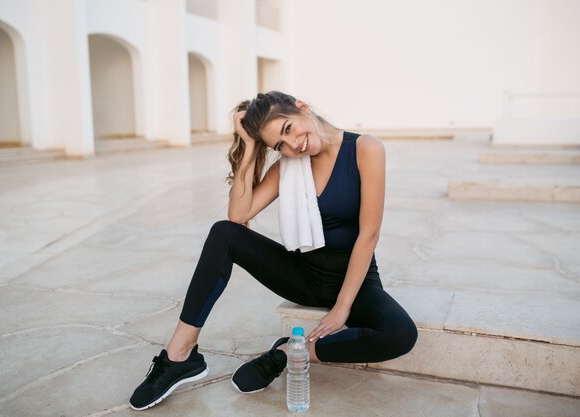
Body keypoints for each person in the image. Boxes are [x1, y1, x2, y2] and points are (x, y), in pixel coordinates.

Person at [128, 91, 418, 410]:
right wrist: (250, 147)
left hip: (355, 282)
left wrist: (342, 307)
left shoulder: (365, 148)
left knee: (400, 333)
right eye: (280, 145)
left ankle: (288, 351)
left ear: (302, 108)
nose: (293, 146)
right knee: (223, 233)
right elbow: (238, 216)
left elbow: (369, 234)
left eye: (288, 129)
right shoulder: (289, 166)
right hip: (303, 276)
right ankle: (180, 356)